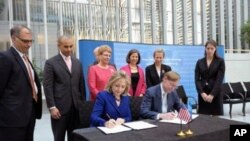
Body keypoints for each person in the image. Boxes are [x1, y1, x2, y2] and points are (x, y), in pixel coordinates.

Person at [0, 25, 42, 141]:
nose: (29, 44)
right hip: (11, 120)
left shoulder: (25, 58)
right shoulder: (5, 58)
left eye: (30, 41)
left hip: (28, 115)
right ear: (13, 38)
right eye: (25, 41)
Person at [43, 35, 86, 141]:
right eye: (66, 47)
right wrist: (52, 107)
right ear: (59, 46)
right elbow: (48, 86)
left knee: (75, 137)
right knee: (59, 137)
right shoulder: (51, 63)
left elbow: (81, 85)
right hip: (59, 109)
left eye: (71, 46)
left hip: (76, 109)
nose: (69, 49)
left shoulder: (78, 62)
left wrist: (82, 105)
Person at [195, 39, 225, 115]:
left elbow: (219, 80)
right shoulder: (199, 62)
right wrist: (202, 93)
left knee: (216, 119)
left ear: (215, 49)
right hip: (203, 94)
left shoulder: (220, 61)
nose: (210, 50)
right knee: (203, 118)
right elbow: (197, 79)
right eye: (208, 48)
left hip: (215, 93)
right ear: (205, 49)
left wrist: (212, 95)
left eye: (212, 48)